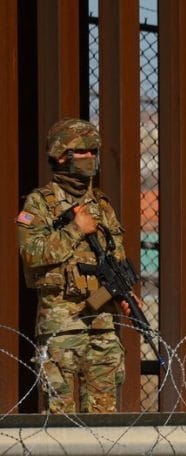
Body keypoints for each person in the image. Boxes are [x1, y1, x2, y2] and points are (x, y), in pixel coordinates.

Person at [17, 117, 132, 413]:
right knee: (61, 418)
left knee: (105, 418)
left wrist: (122, 293)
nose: (90, 157)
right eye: (82, 151)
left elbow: (116, 258)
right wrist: (75, 229)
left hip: (102, 324)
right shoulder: (39, 203)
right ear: (61, 155)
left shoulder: (102, 206)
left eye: (94, 152)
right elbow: (31, 253)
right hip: (62, 326)